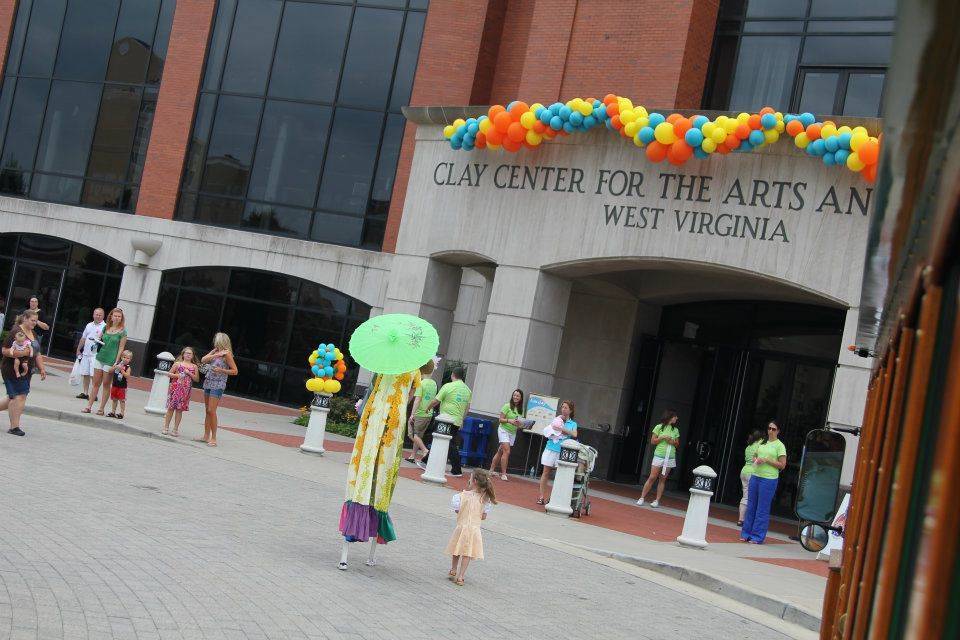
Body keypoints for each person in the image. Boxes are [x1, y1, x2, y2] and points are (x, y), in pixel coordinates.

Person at [338, 367, 422, 570]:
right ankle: (354, 543)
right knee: (369, 468)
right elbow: (413, 395)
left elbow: (410, 393)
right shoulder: (400, 366)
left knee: (379, 473)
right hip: (379, 418)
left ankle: (355, 544)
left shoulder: (396, 366)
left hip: (383, 417)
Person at [445, 468, 497, 586]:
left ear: (474, 481)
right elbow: (483, 516)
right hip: (474, 530)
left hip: (462, 527)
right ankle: (461, 576)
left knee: (456, 550)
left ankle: (453, 570)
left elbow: (458, 510)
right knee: (467, 553)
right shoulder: (485, 499)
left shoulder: (461, 496)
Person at [0, 310, 46, 436]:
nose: (34, 323)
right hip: (12, 369)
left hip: (26, 371)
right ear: (25, 318)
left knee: (13, 397)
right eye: (32, 320)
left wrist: (41, 368)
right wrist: (21, 353)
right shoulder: (16, 331)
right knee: (19, 396)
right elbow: (4, 350)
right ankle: (14, 427)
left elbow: (37, 352)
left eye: (36, 321)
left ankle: (14, 426)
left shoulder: (34, 333)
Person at [741, 420, 788, 544]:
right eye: (769, 428)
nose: (770, 431)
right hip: (755, 475)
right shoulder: (762, 442)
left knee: (762, 508)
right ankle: (746, 534)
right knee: (751, 506)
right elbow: (754, 456)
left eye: (773, 429)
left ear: (778, 431)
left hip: (769, 479)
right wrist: (757, 459)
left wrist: (767, 460)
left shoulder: (780, 445)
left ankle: (757, 536)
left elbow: (782, 465)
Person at [425, 366, 472, 477]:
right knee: (441, 440)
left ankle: (457, 469)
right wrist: (461, 420)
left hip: (445, 420)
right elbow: (467, 408)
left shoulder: (448, 386)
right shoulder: (468, 390)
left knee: (448, 444)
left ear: (452, 375)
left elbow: (436, 401)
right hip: (457, 421)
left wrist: (427, 408)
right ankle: (425, 460)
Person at [83, 308, 127, 415]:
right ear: (111, 317)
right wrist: (95, 341)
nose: (116, 318)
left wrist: (116, 361)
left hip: (110, 360)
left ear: (121, 318)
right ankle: (89, 406)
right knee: (95, 383)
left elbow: (121, 348)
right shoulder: (106, 328)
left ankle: (101, 408)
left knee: (106, 384)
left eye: (119, 316)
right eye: (115, 316)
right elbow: (99, 340)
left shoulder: (122, 332)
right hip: (100, 357)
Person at [198, 333, 238, 447]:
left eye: (216, 340)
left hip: (218, 384)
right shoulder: (215, 352)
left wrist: (221, 370)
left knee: (211, 410)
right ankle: (206, 436)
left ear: (221, 341)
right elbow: (203, 359)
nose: (215, 342)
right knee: (207, 410)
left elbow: (235, 371)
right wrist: (215, 354)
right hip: (209, 381)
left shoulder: (227, 354)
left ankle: (214, 438)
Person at [636, 410, 680, 508]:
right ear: (670, 417)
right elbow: (653, 441)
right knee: (652, 477)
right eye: (675, 417)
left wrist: (672, 441)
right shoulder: (658, 427)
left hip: (670, 456)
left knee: (663, 479)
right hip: (659, 455)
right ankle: (642, 497)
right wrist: (662, 437)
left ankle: (657, 500)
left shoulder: (675, 430)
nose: (676, 418)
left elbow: (677, 444)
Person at [538, 400, 578, 505]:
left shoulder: (573, 423)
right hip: (551, 448)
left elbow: (574, 434)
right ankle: (541, 497)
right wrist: (559, 429)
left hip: (563, 452)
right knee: (545, 472)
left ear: (570, 410)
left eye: (566, 408)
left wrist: (562, 429)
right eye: (563, 407)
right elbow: (550, 429)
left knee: (559, 475)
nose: (564, 409)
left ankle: (553, 498)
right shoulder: (556, 419)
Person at [162, 347, 199, 437]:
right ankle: (166, 427)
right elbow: (169, 374)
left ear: (193, 355)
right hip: (175, 388)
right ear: (183, 354)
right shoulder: (178, 364)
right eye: (186, 353)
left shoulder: (194, 367)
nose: (188, 355)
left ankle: (175, 429)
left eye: (190, 353)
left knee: (179, 410)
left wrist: (189, 373)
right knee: (171, 408)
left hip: (185, 390)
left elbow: (197, 379)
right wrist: (178, 375)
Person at [406, 359, 436, 466]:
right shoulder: (434, 384)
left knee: (412, 434)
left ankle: (425, 451)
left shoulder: (421, 383)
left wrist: (412, 414)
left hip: (419, 413)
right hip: (428, 414)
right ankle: (413, 456)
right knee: (418, 435)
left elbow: (417, 399)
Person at [489, 388, 524, 481]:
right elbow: (500, 420)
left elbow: (519, 423)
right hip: (503, 430)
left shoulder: (521, 410)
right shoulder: (507, 406)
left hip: (513, 432)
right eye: (514, 395)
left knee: (500, 451)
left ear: (521, 398)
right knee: (507, 451)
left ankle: (491, 471)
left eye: (517, 396)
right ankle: (503, 474)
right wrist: (510, 421)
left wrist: (522, 425)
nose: (515, 397)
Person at [75, 307, 106, 399]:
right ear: (93, 315)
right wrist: (78, 349)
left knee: (94, 375)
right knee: (85, 374)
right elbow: (83, 338)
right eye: (96, 314)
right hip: (86, 353)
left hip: (96, 355)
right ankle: (85, 393)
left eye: (100, 315)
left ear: (103, 316)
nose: (98, 316)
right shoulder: (89, 325)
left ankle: (94, 394)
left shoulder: (105, 327)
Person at [739, 428, 766, 526]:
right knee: (751, 497)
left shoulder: (748, 446)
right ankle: (745, 519)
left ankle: (740, 519)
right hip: (752, 472)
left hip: (744, 471)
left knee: (745, 495)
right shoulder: (759, 445)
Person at [107, 350, 133, 419]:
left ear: (130, 360)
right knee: (114, 399)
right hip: (115, 385)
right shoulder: (117, 364)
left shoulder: (128, 367)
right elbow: (110, 371)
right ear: (121, 357)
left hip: (122, 387)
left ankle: (122, 413)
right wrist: (115, 367)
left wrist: (122, 370)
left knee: (122, 400)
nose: (125, 359)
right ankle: (113, 412)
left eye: (128, 358)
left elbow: (127, 376)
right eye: (124, 357)